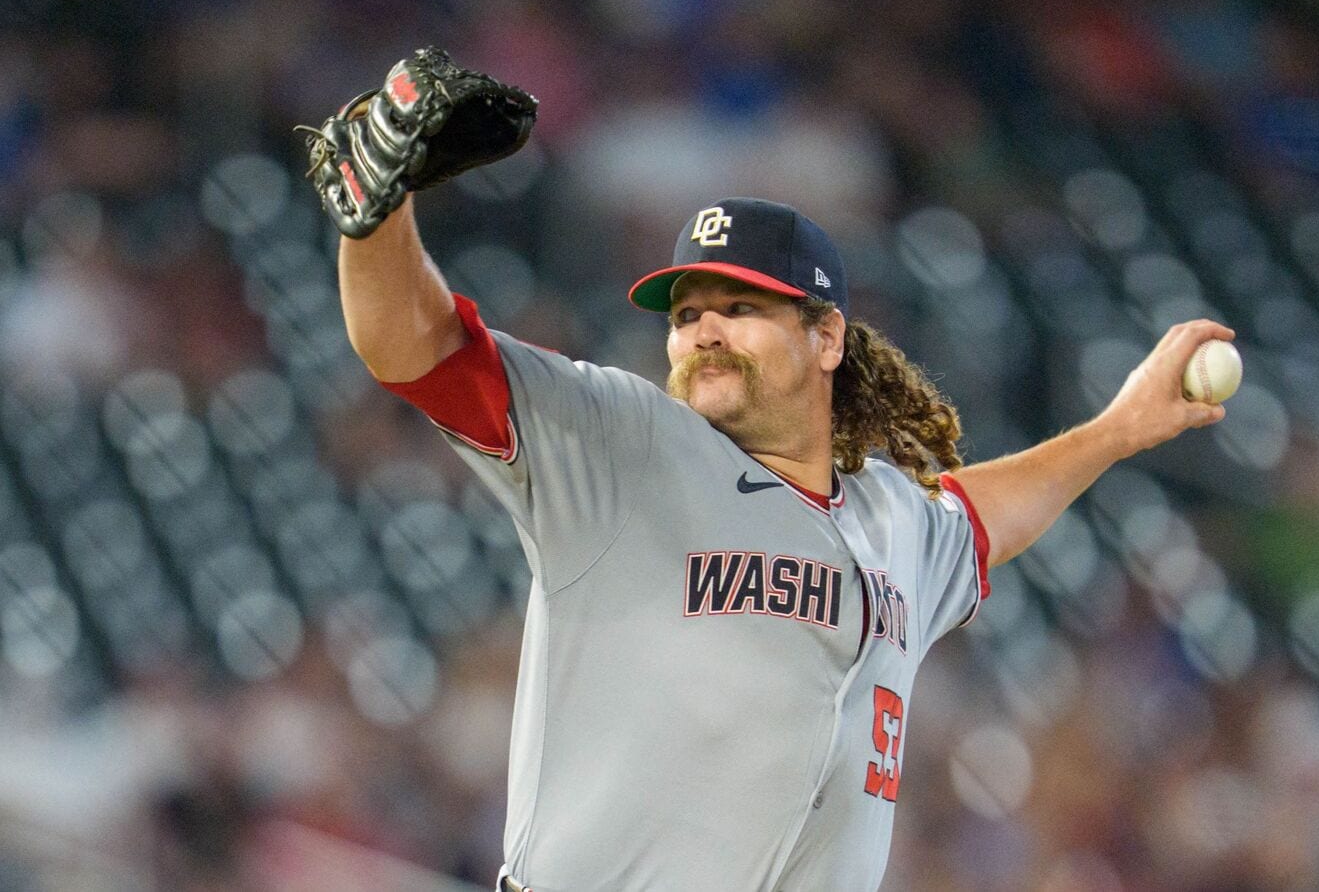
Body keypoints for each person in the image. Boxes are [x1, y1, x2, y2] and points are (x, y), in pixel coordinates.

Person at [338, 189, 1231, 890]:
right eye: (686, 315)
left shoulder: (896, 520)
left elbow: (982, 517)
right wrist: (375, 219)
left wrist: (1118, 430)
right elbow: (414, 347)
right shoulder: (624, 446)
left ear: (828, 336)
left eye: (741, 305)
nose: (703, 332)